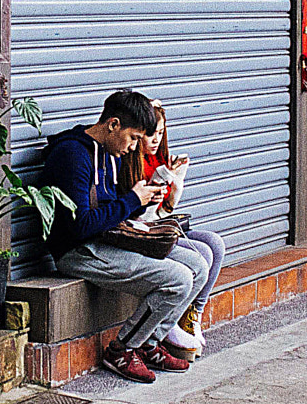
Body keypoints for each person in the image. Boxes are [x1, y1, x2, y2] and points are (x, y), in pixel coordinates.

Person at [41, 89, 209, 383]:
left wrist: (147, 199)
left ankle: (148, 344)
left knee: (197, 265)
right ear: (113, 124)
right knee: (178, 279)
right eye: (133, 138)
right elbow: (80, 226)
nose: (134, 147)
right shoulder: (72, 155)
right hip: (79, 251)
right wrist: (132, 200)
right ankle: (121, 349)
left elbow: (115, 210)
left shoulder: (110, 154)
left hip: (112, 239)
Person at [121, 100, 227, 357]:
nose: (156, 140)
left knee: (215, 244)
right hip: (145, 233)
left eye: (161, 133)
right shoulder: (131, 162)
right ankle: (165, 328)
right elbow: (142, 217)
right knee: (200, 255)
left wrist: (176, 181)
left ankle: (191, 316)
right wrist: (163, 179)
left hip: (162, 224)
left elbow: (166, 210)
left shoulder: (158, 159)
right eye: (149, 134)